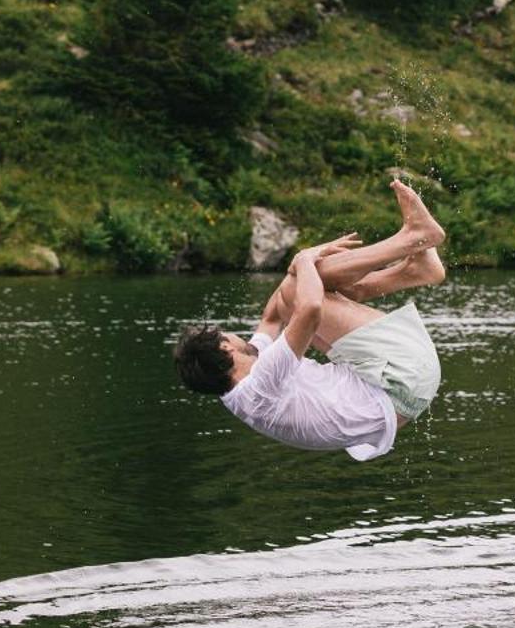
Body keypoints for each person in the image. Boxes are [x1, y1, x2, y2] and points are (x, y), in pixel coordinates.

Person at [174, 178, 446, 461]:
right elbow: (311, 309)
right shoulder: (262, 384)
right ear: (225, 348)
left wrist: (302, 270)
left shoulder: (241, 385)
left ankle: (416, 271)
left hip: (403, 393)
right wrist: (304, 258)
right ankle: (414, 237)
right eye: (226, 335)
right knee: (299, 289)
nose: (234, 335)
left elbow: (272, 316)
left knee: (290, 297)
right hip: (402, 380)